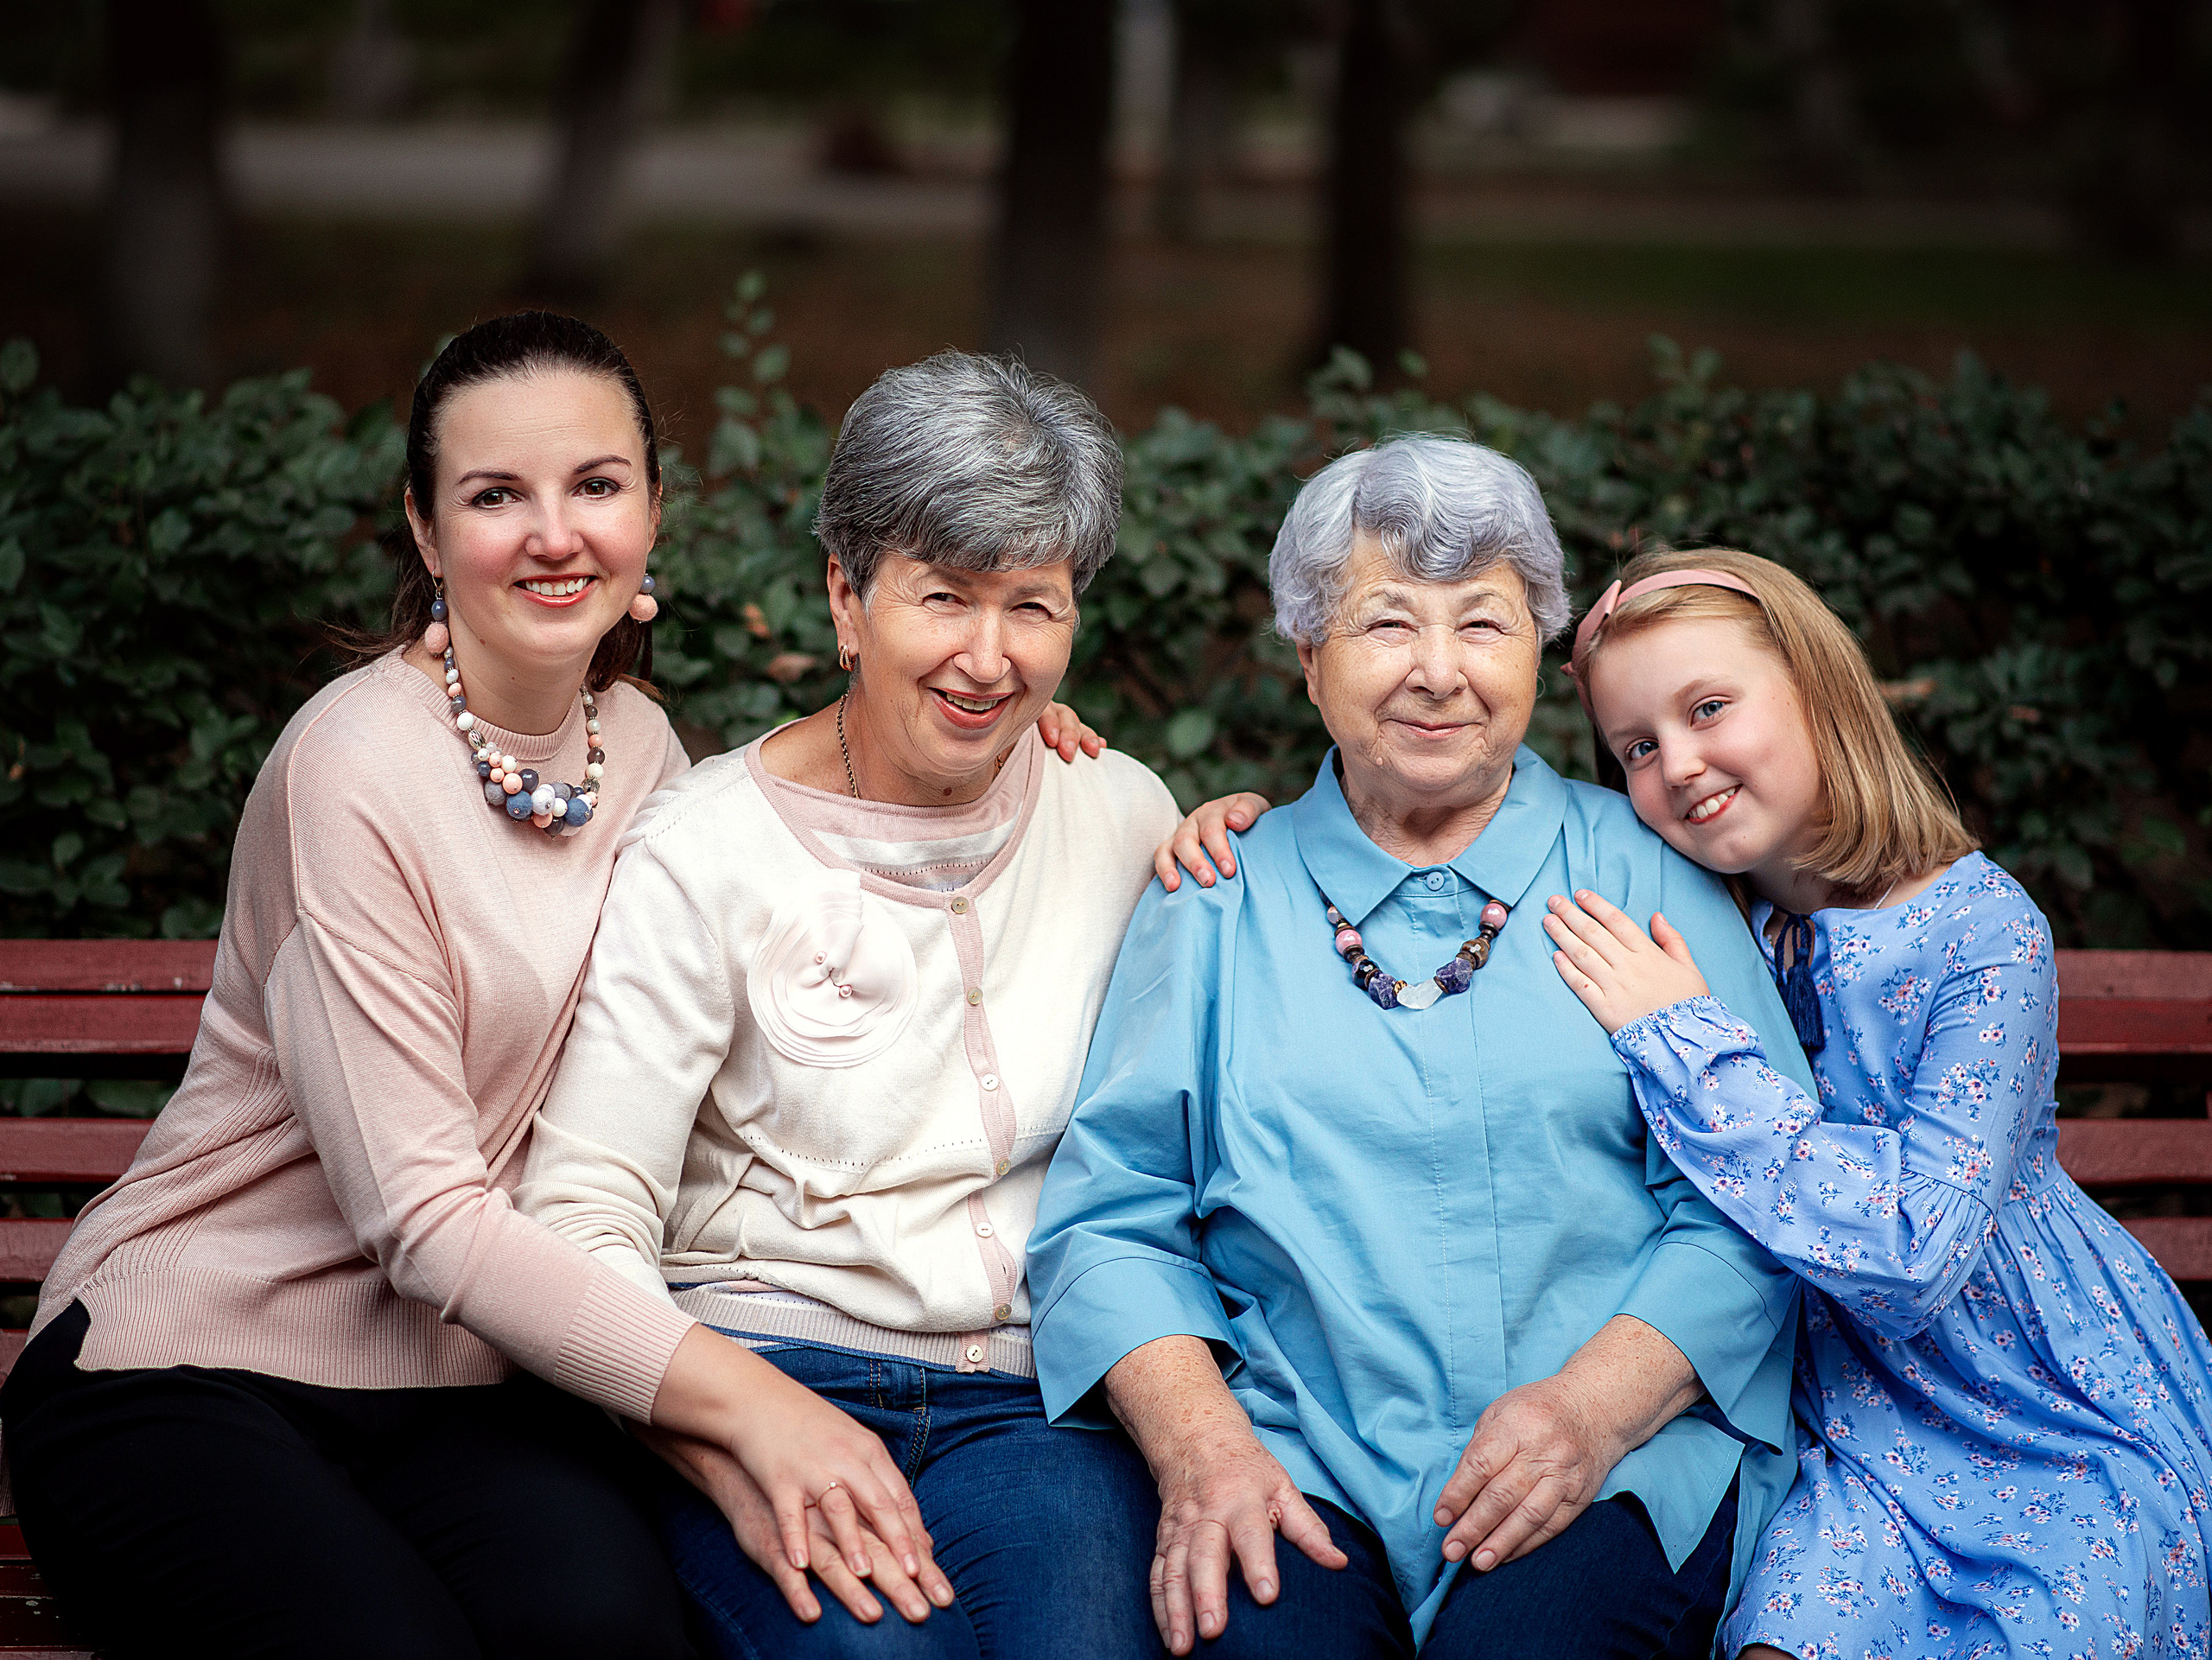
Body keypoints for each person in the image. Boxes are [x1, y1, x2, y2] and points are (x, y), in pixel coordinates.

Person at [0, 314, 1100, 1660]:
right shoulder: (348, 768)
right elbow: (419, 1216)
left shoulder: (634, 745)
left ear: (650, 512)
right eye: (494, 495)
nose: (553, 532)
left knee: (608, 1628)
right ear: (423, 530)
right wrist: (750, 1405)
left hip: (467, 1383)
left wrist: (1003, 715)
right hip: (197, 1365)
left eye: (594, 485)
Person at [1027, 434, 1821, 1660]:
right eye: (1387, 624)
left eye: (1486, 626)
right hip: (1296, 1459)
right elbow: (1113, 1220)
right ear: (1308, 660)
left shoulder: (1648, 873)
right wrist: (1206, 1449)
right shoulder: (1217, 896)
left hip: (1619, 1456)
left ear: (1542, 657)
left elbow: (1757, 1200)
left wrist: (1589, 1413)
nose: (1439, 673)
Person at [515, 348, 1183, 1659]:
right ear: (847, 596)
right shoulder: (705, 848)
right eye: (943, 597)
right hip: (762, 1375)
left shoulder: (1122, 813)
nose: (989, 659)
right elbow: (580, 1214)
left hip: (1026, 1405)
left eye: (1033, 608)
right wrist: (718, 1437)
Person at [1531, 549, 2212, 1658]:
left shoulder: (1983, 930)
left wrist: (1687, 1043)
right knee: (1780, 1638)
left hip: (2042, 1401)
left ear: (1816, 688)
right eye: (1636, 748)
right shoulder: (1698, 917)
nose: (1680, 764)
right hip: (1846, 1421)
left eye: (1709, 708)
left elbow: (1915, 1249)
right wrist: (1248, 828)